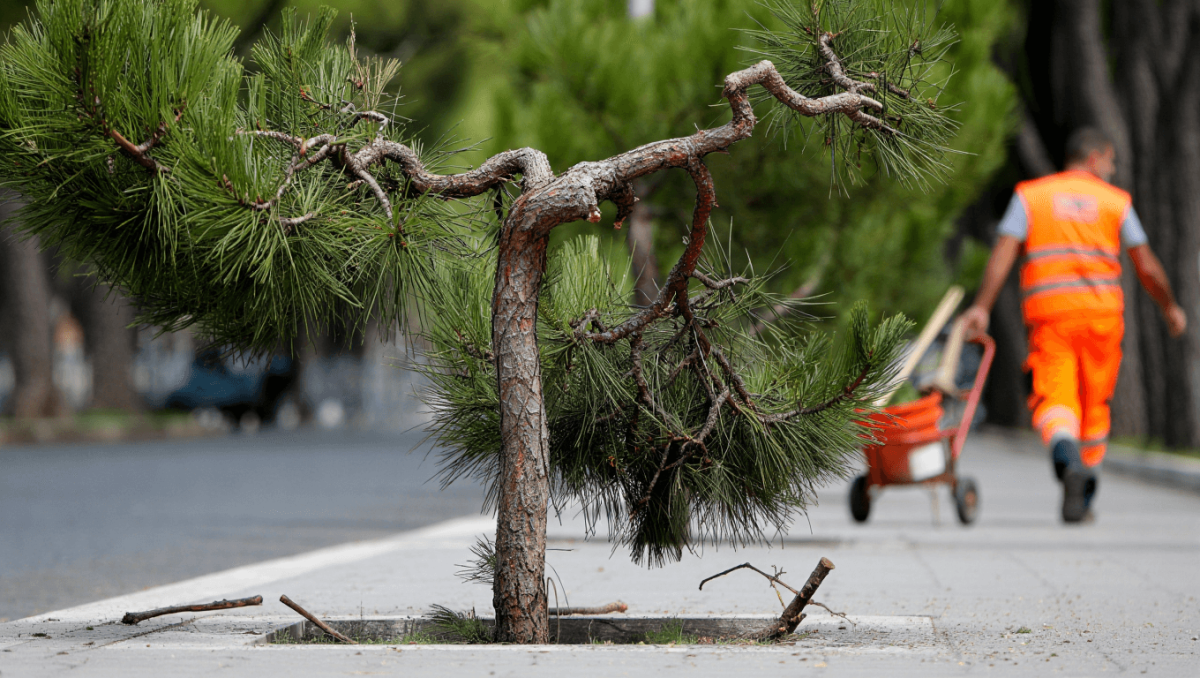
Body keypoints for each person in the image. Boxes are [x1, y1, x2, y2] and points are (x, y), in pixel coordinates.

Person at [961, 127, 1187, 523]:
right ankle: (1084, 496)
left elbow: (1002, 255)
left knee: (1055, 400)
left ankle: (1067, 463)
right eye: (1112, 162)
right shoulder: (1116, 202)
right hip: (1101, 321)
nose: (1113, 171)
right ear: (1096, 158)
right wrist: (1169, 307)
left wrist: (981, 306)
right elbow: (1146, 265)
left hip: (1051, 319)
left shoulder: (1031, 197)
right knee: (1094, 406)